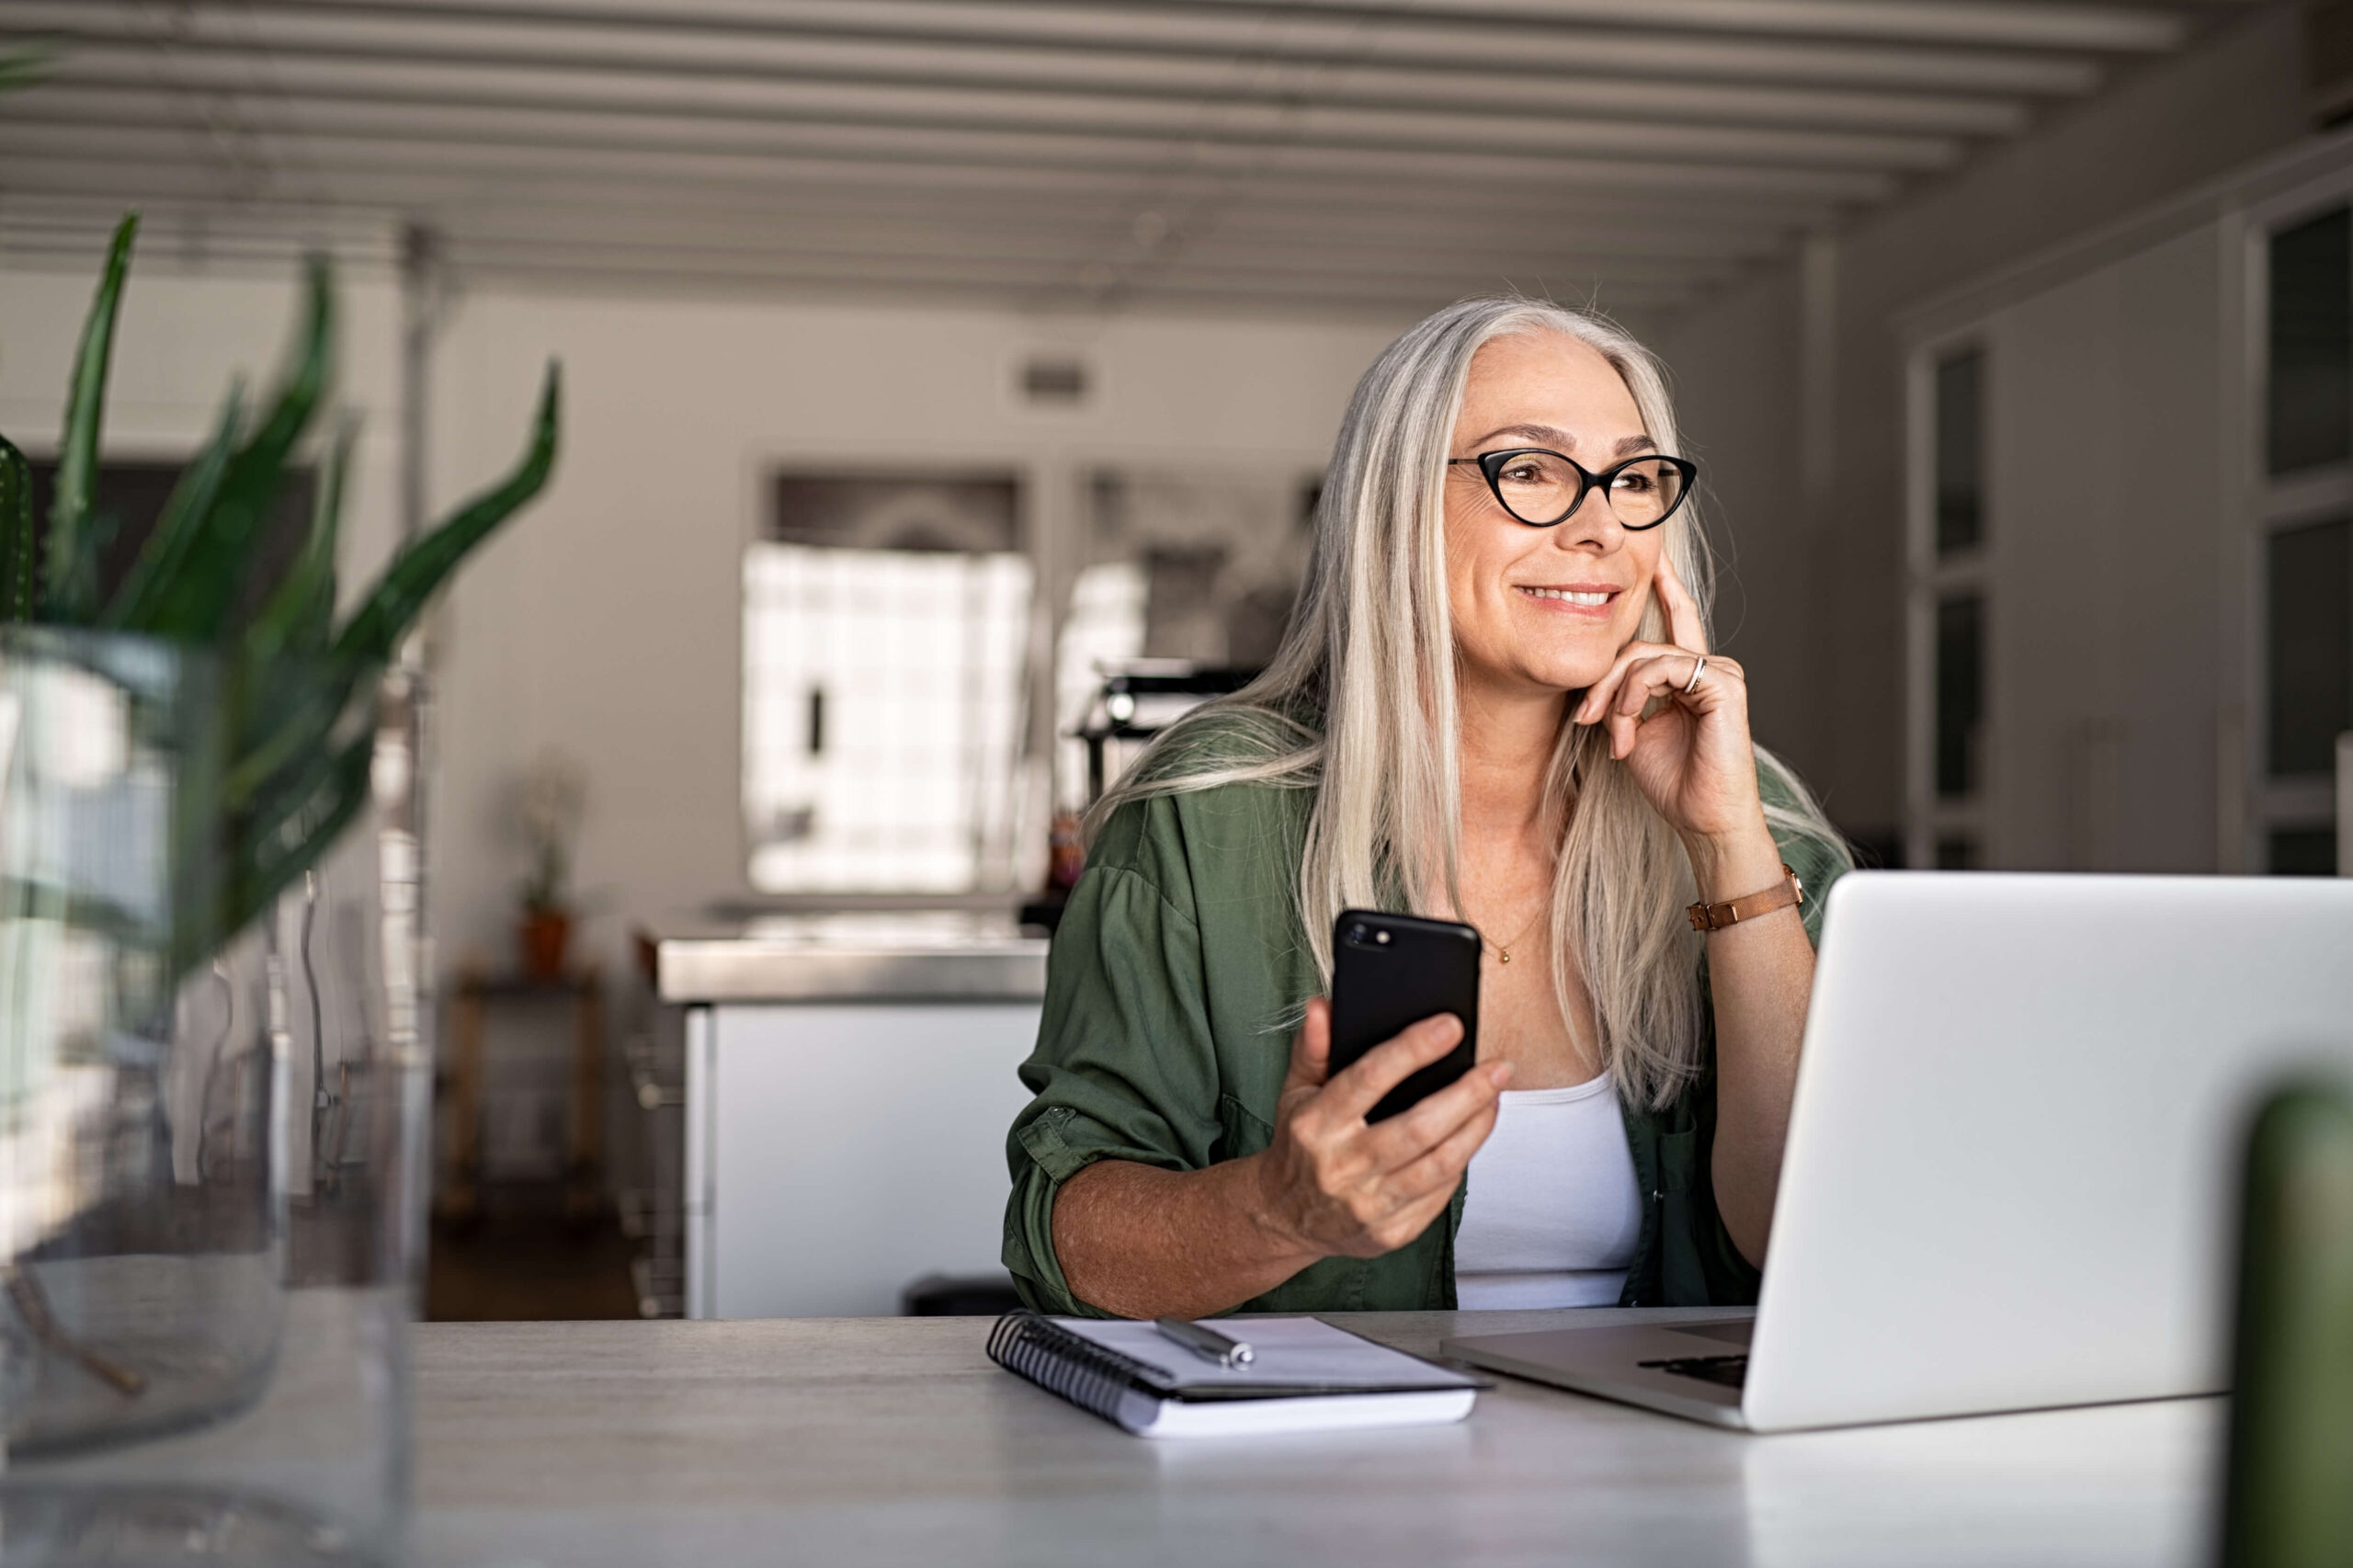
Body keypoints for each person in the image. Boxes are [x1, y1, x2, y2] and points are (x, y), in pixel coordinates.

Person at [1005, 296, 1851, 1320]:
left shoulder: (1754, 819)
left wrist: (1726, 847)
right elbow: (1069, 1240)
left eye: (1632, 480)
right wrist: (1280, 1210)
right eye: (1529, 470)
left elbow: (1820, 1232)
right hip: (1321, 1465)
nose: (1598, 528)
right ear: (1394, 505)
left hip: (1675, 1468)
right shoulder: (1211, 812)